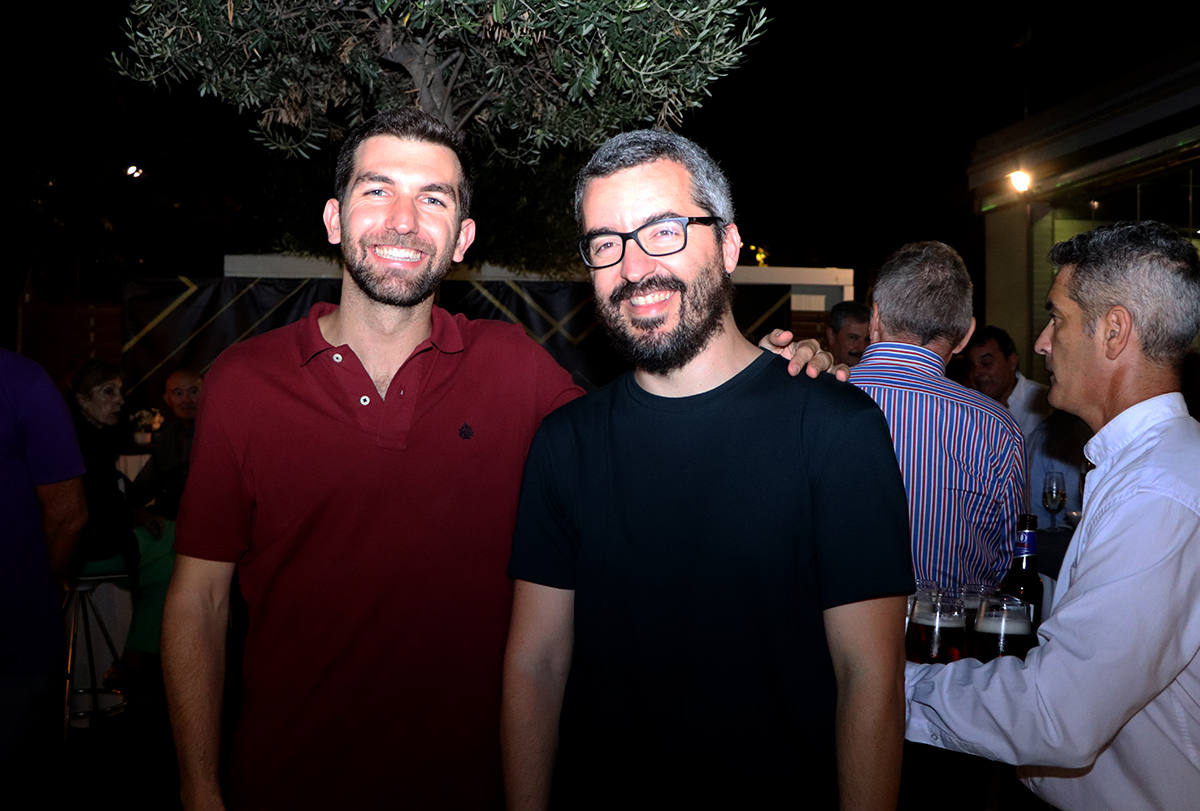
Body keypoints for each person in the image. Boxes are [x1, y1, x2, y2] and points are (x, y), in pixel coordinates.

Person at [502, 130, 913, 810]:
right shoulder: (563, 444)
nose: (634, 267)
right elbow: (536, 665)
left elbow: (869, 677)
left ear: (727, 246)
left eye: (662, 230)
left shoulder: (839, 430)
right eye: (606, 242)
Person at [905, 220, 1200, 810]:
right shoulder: (1152, 468)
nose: (1041, 341)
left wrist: (886, 687)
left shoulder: (1157, 490)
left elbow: (1056, 711)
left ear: (1114, 332)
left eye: (1057, 318)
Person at [849, 243, 1025, 589]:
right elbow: (1011, 564)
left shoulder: (810, 395)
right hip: (949, 637)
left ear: (874, 319)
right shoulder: (997, 428)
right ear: (965, 337)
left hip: (823, 637)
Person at [1, 349, 87, 786]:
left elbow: (68, 513)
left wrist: (40, 582)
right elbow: (68, 514)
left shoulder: (21, 381)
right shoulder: (24, 380)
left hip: (15, 632)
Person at [966, 325, 1090, 527]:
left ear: (1012, 361)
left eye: (986, 363)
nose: (978, 373)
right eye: (972, 366)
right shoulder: (970, 411)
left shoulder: (1048, 405)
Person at [826, 300, 871, 366]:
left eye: (867, 339)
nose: (862, 347)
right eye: (853, 338)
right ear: (831, 336)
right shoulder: (812, 373)